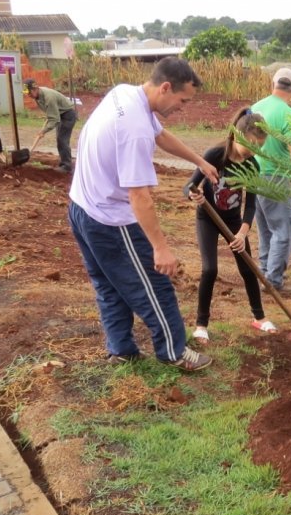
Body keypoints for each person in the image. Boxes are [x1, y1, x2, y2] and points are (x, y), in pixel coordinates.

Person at [68, 57, 219, 371]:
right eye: (182, 100)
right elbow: (139, 197)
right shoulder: (134, 128)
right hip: (110, 220)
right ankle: (173, 351)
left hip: (82, 207)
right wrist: (161, 249)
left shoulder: (127, 95)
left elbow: (160, 135)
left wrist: (199, 161)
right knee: (156, 284)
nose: (183, 107)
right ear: (165, 87)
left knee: (109, 284)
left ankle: (121, 348)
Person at [183, 108, 278, 344]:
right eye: (251, 146)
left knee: (248, 268)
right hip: (208, 217)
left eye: (259, 147)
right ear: (238, 135)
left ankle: (259, 317)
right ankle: (201, 324)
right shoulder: (215, 155)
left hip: (234, 221)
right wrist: (192, 195)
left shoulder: (252, 166)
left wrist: (243, 231)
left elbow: (251, 204)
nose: (254, 152)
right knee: (210, 270)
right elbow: (189, 186)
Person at [250, 67, 291, 295]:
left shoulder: (255, 108)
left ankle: (265, 274)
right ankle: (273, 281)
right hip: (276, 178)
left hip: (253, 176)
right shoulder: (288, 114)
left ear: (273, 85)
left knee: (266, 231)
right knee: (284, 231)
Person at [23, 79, 77, 172]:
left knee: (62, 140)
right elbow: (51, 114)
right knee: (60, 139)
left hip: (67, 115)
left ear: (35, 89)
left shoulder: (49, 97)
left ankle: (67, 166)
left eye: (29, 92)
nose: (28, 95)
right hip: (60, 114)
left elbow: (54, 119)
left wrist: (43, 131)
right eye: (26, 93)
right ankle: (64, 162)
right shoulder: (38, 96)